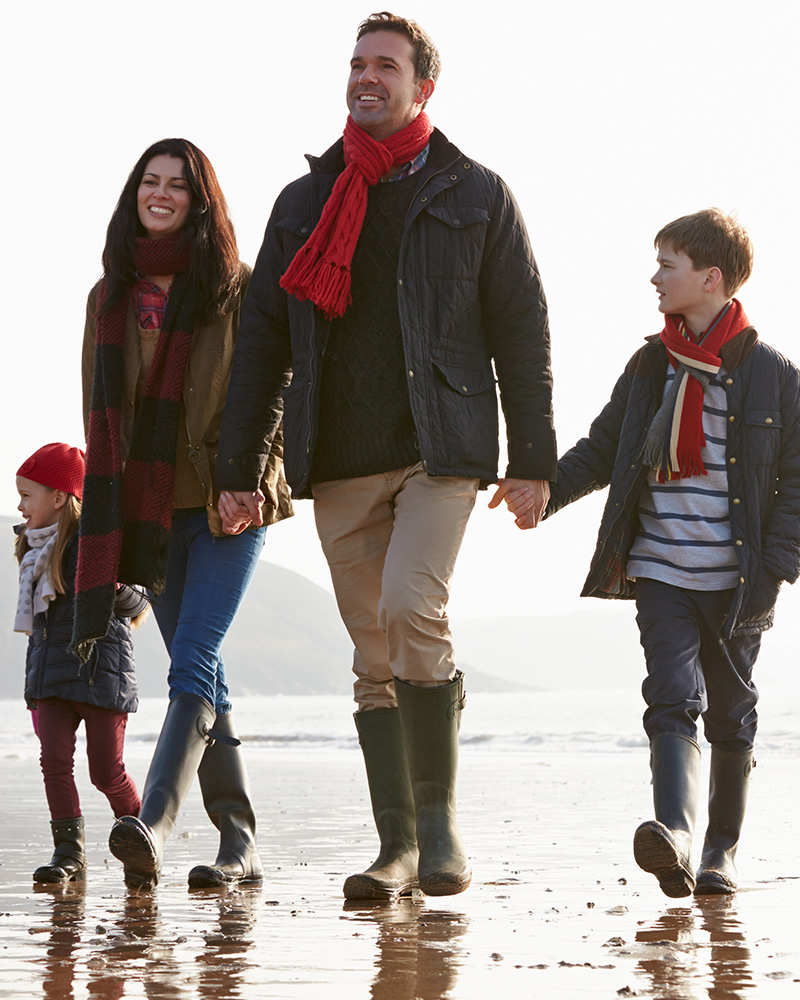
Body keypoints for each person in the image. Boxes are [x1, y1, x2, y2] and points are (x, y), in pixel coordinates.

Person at [216, 12, 556, 899]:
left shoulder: (476, 193)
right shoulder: (303, 204)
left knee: (411, 608)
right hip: (337, 454)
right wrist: (239, 470)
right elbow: (262, 347)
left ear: (422, 86)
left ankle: (443, 834)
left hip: (441, 448)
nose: (367, 76)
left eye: (386, 65)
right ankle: (396, 845)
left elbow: (522, 330)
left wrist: (534, 459)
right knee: (373, 650)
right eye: (357, 63)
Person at [528, 209, 800, 896]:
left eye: (668, 264)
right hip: (659, 568)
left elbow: (796, 482)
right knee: (671, 698)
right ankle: (673, 834)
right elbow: (603, 445)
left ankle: (720, 854)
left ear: (710, 278)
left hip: (740, 581)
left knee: (732, 714)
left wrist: (776, 568)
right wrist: (543, 492)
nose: (655, 277)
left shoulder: (775, 376)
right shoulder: (651, 365)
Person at [74, 138, 293, 890]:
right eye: (150, 182)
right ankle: (241, 844)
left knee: (194, 657)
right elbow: (99, 420)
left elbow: (270, 394)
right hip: (153, 513)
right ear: (135, 194)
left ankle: (157, 823)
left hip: (232, 503)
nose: (161, 194)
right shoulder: (107, 300)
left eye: (177, 186)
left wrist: (252, 478)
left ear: (201, 202)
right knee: (206, 672)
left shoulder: (237, 289)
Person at [14, 442, 146, 884]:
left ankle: (141, 841)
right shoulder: (30, 550)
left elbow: (139, 601)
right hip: (51, 677)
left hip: (99, 675)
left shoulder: (101, 543)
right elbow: (38, 625)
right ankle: (68, 853)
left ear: (57, 496)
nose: (19, 504)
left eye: (27, 494)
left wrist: (116, 585)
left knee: (106, 771)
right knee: (53, 760)